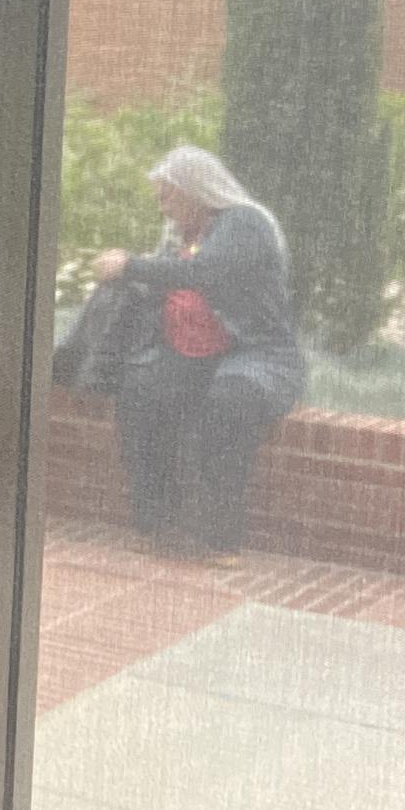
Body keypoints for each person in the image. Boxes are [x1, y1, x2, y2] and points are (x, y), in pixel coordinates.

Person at [91, 145, 304, 557]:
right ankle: (156, 523)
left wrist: (129, 265)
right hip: (195, 353)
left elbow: (205, 274)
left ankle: (222, 540)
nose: (163, 209)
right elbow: (166, 285)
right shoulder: (183, 236)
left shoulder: (244, 222)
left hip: (256, 352)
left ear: (194, 190)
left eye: (166, 197)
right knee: (141, 392)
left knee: (230, 401)